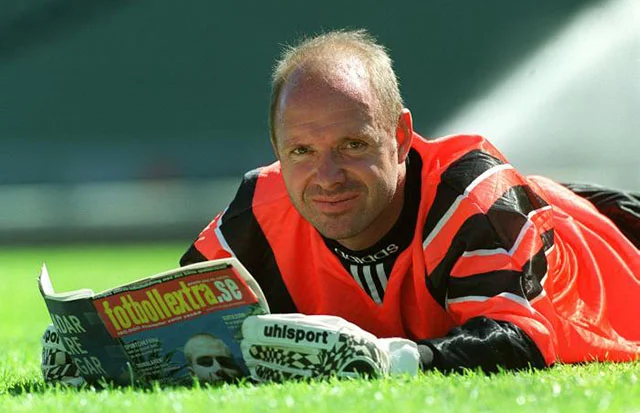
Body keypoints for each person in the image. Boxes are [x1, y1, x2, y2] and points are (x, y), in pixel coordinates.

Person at [42, 29, 639, 384]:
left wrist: (390, 359)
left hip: (617, 239)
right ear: (277, 151)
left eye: (353, 144)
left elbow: (522, 341)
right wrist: (98, 346)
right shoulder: (260, 213)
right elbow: (187, 325)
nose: (326, 177)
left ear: (401, 136)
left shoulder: (471, 198)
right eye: (301, 151)